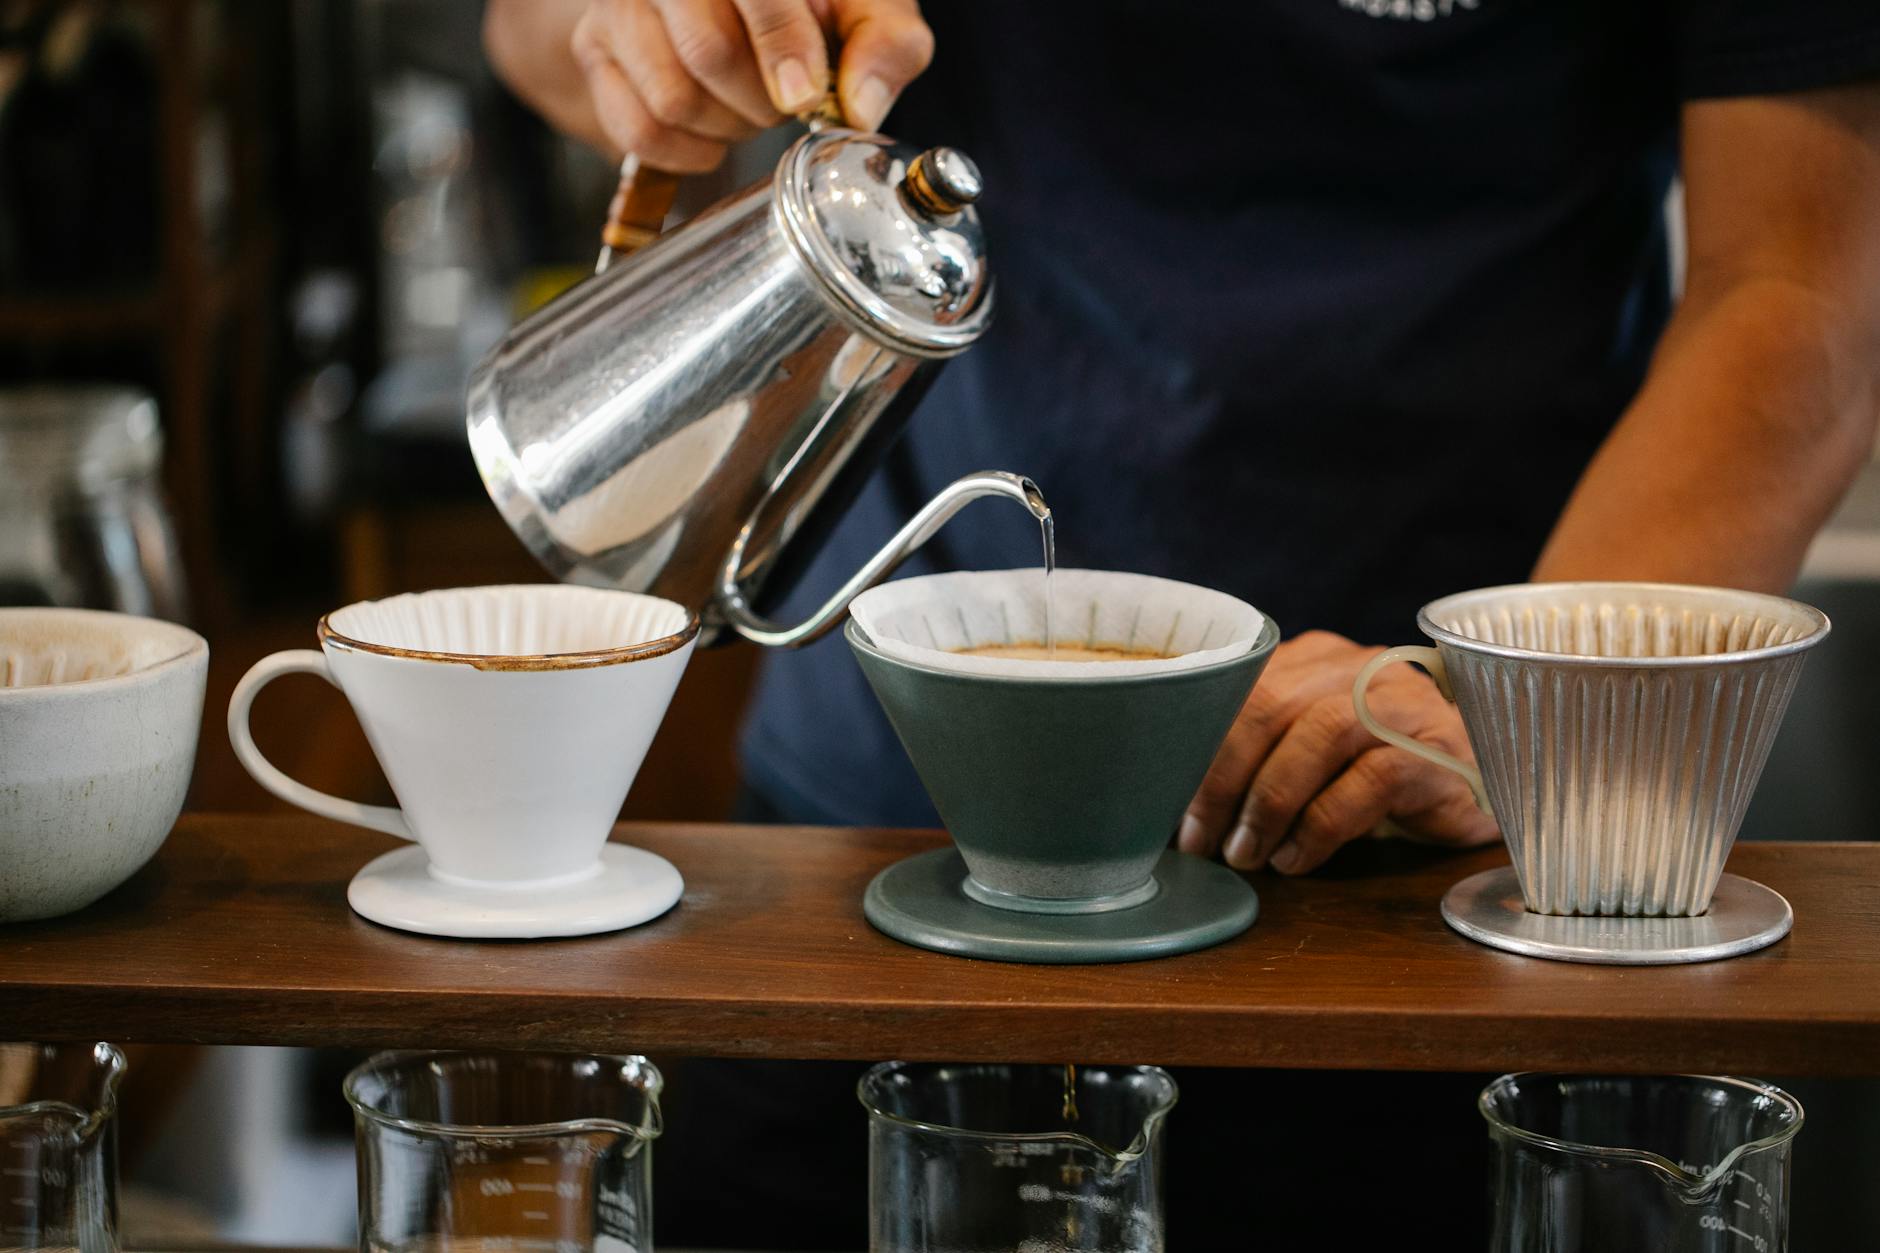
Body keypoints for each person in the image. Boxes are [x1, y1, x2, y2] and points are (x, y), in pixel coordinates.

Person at [484, 2, 1880, 1246]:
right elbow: (542, 45)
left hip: (1428, 868)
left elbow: (1797, 287)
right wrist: (656, 35)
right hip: (874, 849)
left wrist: (1505, 708)